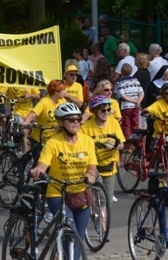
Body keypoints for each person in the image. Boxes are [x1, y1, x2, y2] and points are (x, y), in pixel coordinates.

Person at [30, 102, 97, 246]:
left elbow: (92, 166)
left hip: (81, 193)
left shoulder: (87, 141)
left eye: (78, 119)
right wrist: (38, 170)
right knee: (70, 235)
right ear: (61, 122)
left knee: (79, 238)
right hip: (57, 193)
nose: (76, 122)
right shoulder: (53, 143)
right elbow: (43, 164)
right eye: (71, 119)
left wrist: (91, 175)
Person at [80, 95, 125, 203]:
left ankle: (101, 218)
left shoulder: (113, 123)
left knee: (108, 202)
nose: (106, 112)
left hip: (109, 167)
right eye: (103, 110)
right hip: (93, 167)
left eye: (108, 109)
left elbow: (122, 145)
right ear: (95, 111)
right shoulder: (85, 128)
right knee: (102, 199)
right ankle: (99, 216)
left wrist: (114, 146)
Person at [22, 79, 68, 150]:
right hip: (40, 138)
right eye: (63, 90)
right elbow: (33, 114)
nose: (66, 92)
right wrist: (26, 122)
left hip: (55, 137)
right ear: (56, 92)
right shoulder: (44, 102)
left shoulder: (63, 101)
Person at [115, 63, 145, 138]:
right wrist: (138, 101)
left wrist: (133, 101)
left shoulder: (120, 82)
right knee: (135, 124)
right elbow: (141, 93)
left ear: (121, 71)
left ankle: (128, 141)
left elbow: (122, 96)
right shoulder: (136, 80)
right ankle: (137, 140)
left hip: (126, 106)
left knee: (126, 125)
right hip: (135, 106)